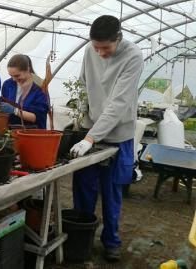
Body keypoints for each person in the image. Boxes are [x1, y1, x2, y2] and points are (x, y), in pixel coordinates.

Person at [69, 15, 144, 261]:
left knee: (112, 193)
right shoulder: (91, 50)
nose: (100, 53)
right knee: (84, 189)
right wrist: (80, 118)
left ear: (118, 39)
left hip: (118, 136)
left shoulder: (133, 56)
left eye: (106, 48)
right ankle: (82, 236)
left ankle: (111, 241)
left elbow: (119, 103)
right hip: (90, 130)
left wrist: (90, 139)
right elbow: (82, 84)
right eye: (96, 47)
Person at [0, 54, 49, 129]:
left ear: (28, 69)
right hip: (10, 131)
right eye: (11, 76)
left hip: (32, 132)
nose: (14, 79)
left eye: (17, 76)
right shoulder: (8, 84)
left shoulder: (40, 87)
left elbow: (37, 117)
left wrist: (15, 111)